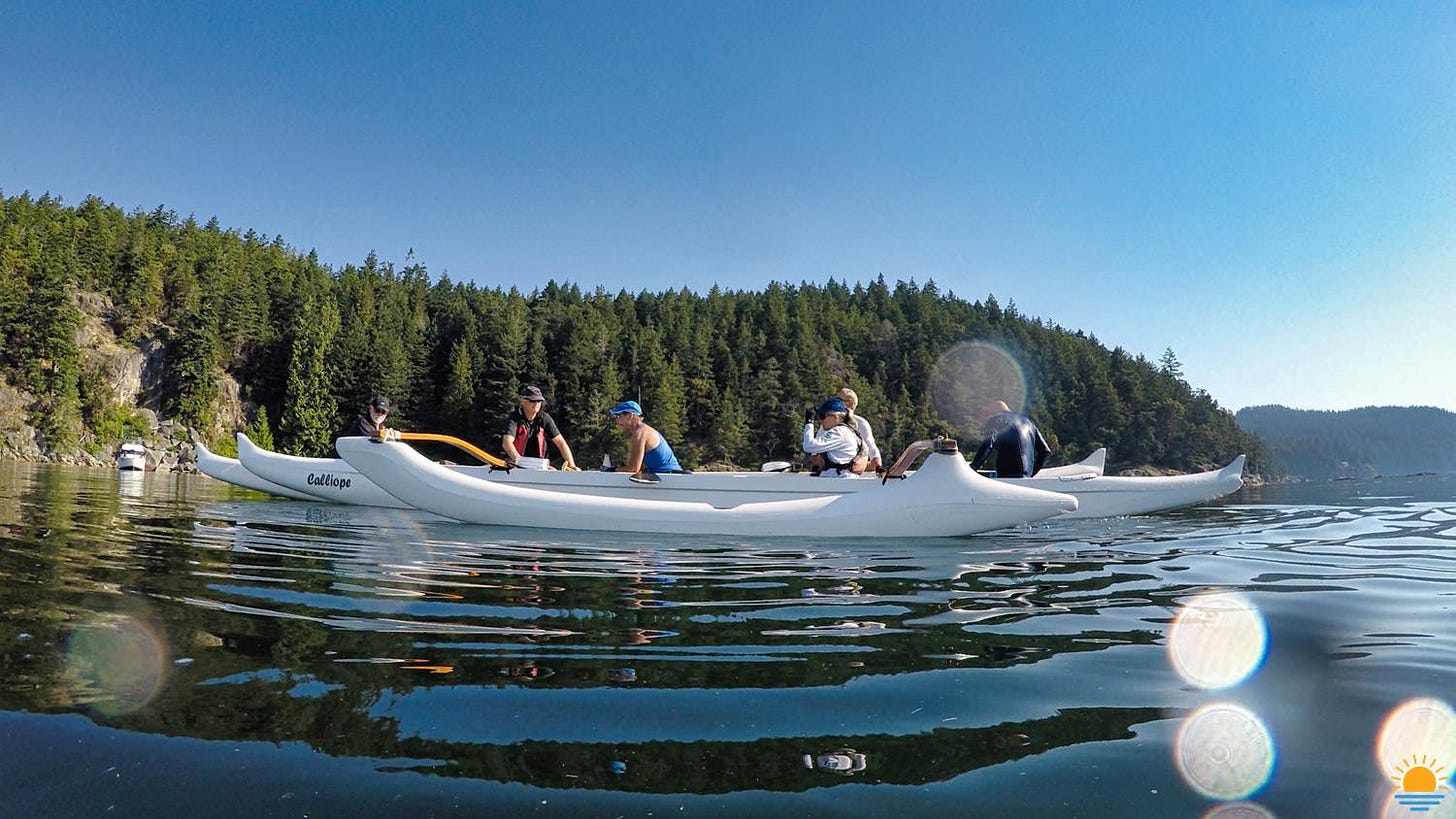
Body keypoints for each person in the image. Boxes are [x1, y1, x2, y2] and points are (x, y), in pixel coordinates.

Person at [501, 385, 579, 470]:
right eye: (532, 401)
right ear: (523, 401)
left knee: (553, 470)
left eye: (539, 401)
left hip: (538, 465)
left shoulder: (544, 418)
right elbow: (507, 443)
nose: (536, 404)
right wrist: (520, 462)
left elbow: (561, 442)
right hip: (515, 464)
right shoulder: (515, 418)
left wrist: (572, 465)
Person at [970, 400, 1051, 478]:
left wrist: (972, 469)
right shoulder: (1028, 422)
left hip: (1008, 476)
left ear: (994, 411)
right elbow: (1045, 451)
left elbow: (987, 445)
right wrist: (1031, 474)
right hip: (1026, 479)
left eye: (990, 414)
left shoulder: (996, 419)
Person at [609, 400, 683, 476]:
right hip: (666, 475)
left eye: (618, 416)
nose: (616, 421)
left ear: (630, 415)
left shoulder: (640, 434)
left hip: (669, 475)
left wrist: (612, 470)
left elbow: (633, 469)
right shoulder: (641, 431)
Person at [802, 397, 865, 477]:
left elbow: (809, 446)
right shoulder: (848, 431)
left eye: (822, 416)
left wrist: (809, 422)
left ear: (835, 417)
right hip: (841, 479)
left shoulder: (838, 432)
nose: (820, 421)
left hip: (837, 481)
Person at [837, 388, 883, 473]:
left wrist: (853, 468)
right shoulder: (828, 422)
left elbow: (873, 452)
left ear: (850, 404)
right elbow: (815, 455)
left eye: (839, 400)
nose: (835, 403)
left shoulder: (861, 424)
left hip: (852, 475)